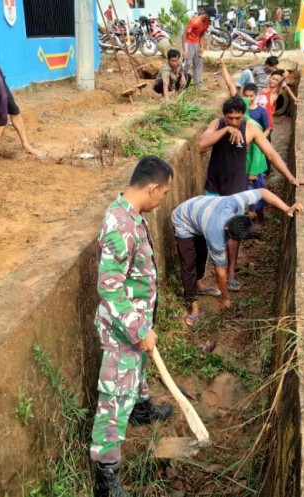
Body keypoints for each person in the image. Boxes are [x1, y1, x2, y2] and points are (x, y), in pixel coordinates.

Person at [90, 156, 175, 497]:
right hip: (122, 330)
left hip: (136, 322)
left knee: (136, 372)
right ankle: (106, 478)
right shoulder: (120, 226)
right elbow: (108, 286)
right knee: (113, 399)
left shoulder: (133, 214)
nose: (163, 199)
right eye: (164, 193)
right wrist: (139, 329)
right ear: (152, 188)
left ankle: (140, 409)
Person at [198, 96, 304, 290]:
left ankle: (231, 272)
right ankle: (213, 270)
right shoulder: (217, 124)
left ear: (244, 115)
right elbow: (201, 145)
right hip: (214, 187)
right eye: (230, 118)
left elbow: (271, 154)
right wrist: (225, 130)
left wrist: (290, 177)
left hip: (236, 189)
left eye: (237, 118)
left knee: (234, 232)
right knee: (208, 229)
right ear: (224, 115)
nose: (234, 121)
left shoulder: (250, 128)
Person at [173, 190, 303, 325]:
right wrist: (226, 298)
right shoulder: (215, 235)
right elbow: (220, 272)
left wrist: (287, 208)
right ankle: (193, 305)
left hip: (201, 214)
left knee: (201, 252)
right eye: (230, 237)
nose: (230, 240)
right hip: (183, 219)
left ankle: (199, 285)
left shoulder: (236, 201)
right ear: (227, 227)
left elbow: (263, 192)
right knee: (188, 264)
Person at [220, 60, 271, 220]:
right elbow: (231, 88)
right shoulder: (241, 121)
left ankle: (261, 219)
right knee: (244, 195)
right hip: (243, 165)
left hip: (252, 168)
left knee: (256, 195)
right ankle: (246, 220)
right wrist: (223, 67)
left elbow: (257, 152)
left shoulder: (252, 125)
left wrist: (253, 172)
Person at [184, 7, 216, 88]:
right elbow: (184, 35)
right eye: (210, 17)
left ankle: (198, 85)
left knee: (199, 63)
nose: (210, 19)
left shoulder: (208, 22)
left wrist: (201, 47)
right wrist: (184, 50)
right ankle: (182, 83)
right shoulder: (195, 21)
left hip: (197, 44)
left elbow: (201, 35)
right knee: (187, 64)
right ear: (206, 14)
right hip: (189, 43)